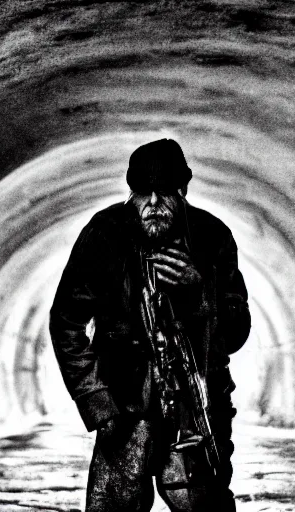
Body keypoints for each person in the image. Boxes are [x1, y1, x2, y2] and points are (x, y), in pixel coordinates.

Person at [49, 139, 251, 511]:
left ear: (182, 191)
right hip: (125, 409)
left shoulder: (212, 237)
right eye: (143, 192)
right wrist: (98, 403)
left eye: (164, 192)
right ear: (131, 192)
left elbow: (237, 333)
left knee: (206, 506)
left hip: (199, 409)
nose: (153, 204)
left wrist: (199, 295)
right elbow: (66, 322)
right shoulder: (104, 234)